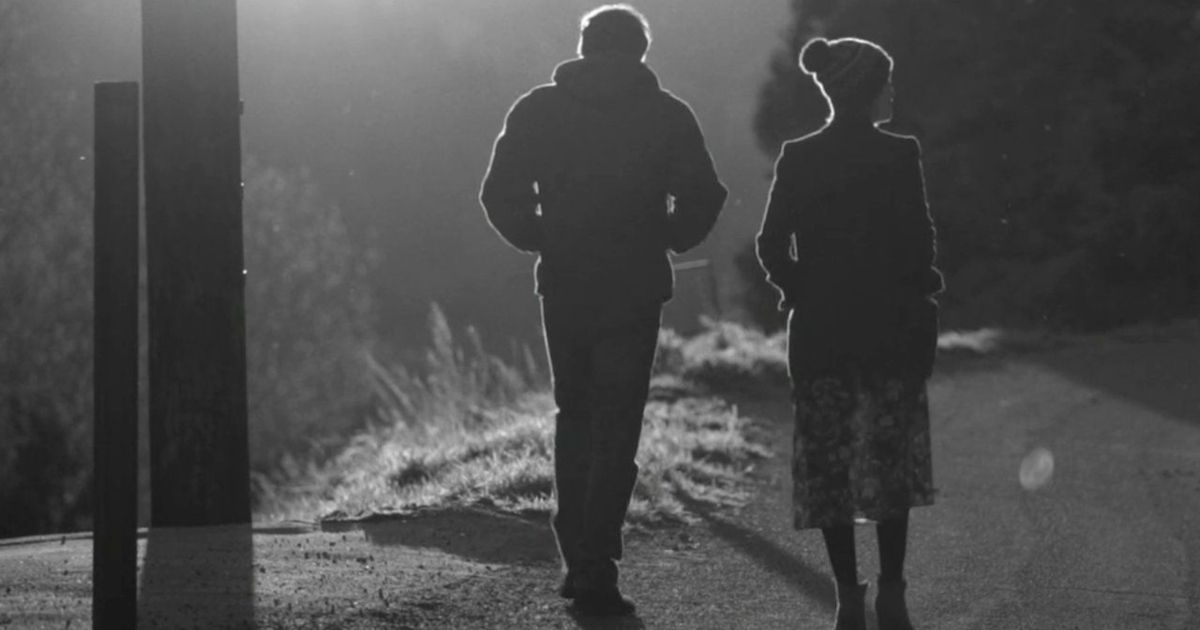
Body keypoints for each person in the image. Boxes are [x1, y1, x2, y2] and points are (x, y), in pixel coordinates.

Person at [479, 3, 727, 617]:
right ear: (641, 52)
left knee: (576, 415)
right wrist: (667, 235)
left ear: (584, 46)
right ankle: (598, 562)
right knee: (618, 421)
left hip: (565, 284)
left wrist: (544, 237)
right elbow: (705, 193)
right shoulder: (667, 114)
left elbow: (498, 193)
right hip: (636, 286)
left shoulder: (537, 108)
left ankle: (577, 558)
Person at [756, 36, 943, 630]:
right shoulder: (900, 153)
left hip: (820, 332)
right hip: (890, 328)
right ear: (871, 89)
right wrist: (918, 285)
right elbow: (919, 240)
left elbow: (768, 243)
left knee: (829, 466)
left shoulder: (799, 155)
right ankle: (892, 593)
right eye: (887, 81)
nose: (893, 90)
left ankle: (846, 598)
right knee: (889, 462)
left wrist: (800, 289)